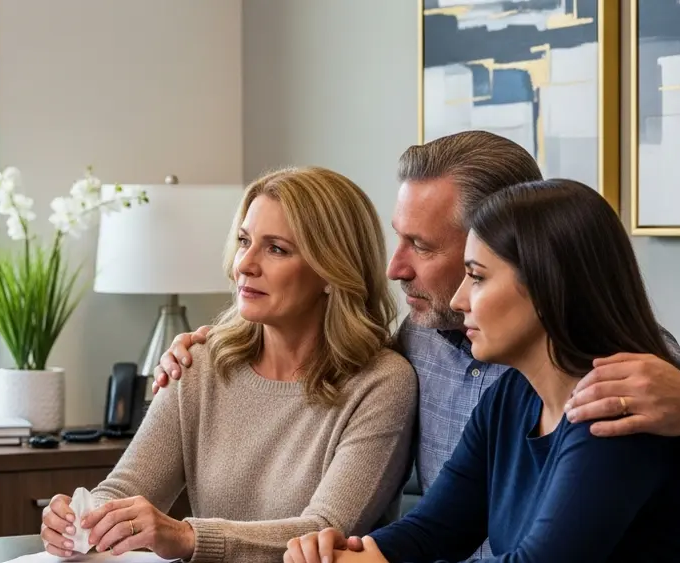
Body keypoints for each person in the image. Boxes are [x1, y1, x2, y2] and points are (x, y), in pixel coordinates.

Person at [155, 131, 680, 557]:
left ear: (535, 266)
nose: (394, 268)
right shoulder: (460, 367)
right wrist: (220, 348)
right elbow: (432, 527)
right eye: (398, 237)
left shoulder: (629, 392)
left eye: (423, 247)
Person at [285, 179, 680, 562]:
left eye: (476, 277)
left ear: (548, 286)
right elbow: (434, 529)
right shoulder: (510, 395)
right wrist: (348, 553)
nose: (459, 300)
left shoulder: (615, 409)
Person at [39, 166, 418, 562]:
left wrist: (187, 536)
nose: (245, 264)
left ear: (331, 270)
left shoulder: (381, 383)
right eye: (243, 241)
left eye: (276, 249)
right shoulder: (199, 363)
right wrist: (80, 520)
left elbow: (323, 531)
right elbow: (125, 489)